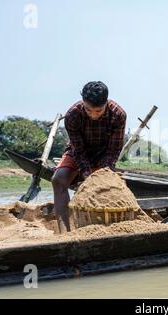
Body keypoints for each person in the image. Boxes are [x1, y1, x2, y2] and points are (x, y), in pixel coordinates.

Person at [52, 81, 127, 232]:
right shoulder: (73, 115)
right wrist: (87, 173)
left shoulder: (118, 114)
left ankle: (106, 228)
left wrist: (102, 174)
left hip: (105, 153)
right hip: (79, 151)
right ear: (83, 102)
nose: (93, 115)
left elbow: (114, 150)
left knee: (106, 187)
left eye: (98, 111)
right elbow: (78, 150)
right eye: (88, 110)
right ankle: (64, 231)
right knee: (58, 180)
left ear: (106, 102)